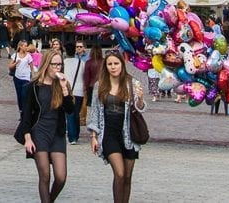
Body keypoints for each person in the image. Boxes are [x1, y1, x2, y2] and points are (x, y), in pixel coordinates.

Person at [87, 50, 147, 203]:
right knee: (119, 173)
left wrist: (140, 99)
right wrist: (93, 136)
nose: (113, 67)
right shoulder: (100, 85)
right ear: (105, 66)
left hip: (128, 134)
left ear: (122, 64)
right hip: (109, 134)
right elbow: (94, 112)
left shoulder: (131, 83)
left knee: (127, 176)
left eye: (116, 63)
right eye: (110, 64)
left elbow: (139, 109)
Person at [20, 49, 75, 203]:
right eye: (54, 64)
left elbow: (70, 110)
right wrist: (27, 137)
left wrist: (65, 89)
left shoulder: (62, 84)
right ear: (46, 64)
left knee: (60, 177)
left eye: (60, 64)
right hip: (39, 131)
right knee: (45, 175)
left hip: (57, 133)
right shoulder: (35, 86)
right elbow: (26, 113)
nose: (57, 68)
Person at [63, 40, 88, 143]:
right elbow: (84, 76)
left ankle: (72, 136)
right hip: (79, 90)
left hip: (67, 90)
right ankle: (76, 134)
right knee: (76, 113)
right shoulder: (81, 63)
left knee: (69, 113)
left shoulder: (63, 63)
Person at [10, 41, 36, 113]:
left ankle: (25, 111)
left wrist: (33, 77)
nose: (26, 47)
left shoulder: (28, 56)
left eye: (26, 45)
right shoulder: (15, 55)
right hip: (17, 77)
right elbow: (10, 66)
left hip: (26, 78)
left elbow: (32, 67)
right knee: (19, 95)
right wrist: (16, 63)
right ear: (20, 46)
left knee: (24, 94)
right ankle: (21, 110)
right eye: (25, 45)